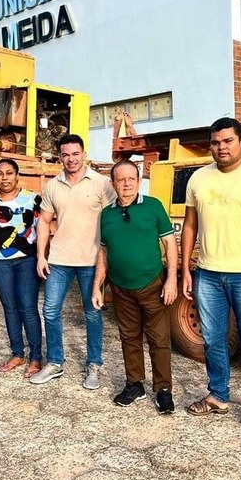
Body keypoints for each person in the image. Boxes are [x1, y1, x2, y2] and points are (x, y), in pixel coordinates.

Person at [181, 117, 241, 435]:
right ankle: (218, 396)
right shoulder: (198, 178)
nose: (221, 147)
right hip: (208, 273)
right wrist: (186, 269)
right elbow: (190, 226)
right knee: (213, 341)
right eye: (215, 142)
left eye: (227, 141)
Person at [31, 134, 116, 388]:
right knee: (50, 311)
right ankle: (55, 362)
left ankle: (94, 364)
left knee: (93, 313)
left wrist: (108, 258)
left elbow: (113, 221)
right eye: (66, 155)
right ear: (60, 157)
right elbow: (43, 222)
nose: (71, 159)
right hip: (59, 259)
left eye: (75, 154)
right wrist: (41, 256)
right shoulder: (52, 186)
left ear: (84, 154)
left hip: (92, 260)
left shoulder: (102, 184)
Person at [93, 159, 178, 414]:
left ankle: (163, 390)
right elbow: (103, 252)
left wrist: (171, 279)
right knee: (129, 337)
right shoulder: (106, 214)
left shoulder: (153, 206)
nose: (127, 184)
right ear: (113, 183)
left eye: (132, 179)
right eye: (121, 179)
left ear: (139, 182)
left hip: (152, 285)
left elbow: (170, 244)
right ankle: (135, 384)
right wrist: (98, 286)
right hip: (120, 288)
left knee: (159, 339)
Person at [0, 158, 43, 379]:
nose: (4, 178)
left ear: (17, 175)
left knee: (28, 307)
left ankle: (36, 357)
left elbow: (43, 230)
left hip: (27, 260)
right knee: (9, 306)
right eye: (0, 174)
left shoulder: (33, 199)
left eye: (9, 173)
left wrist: (44, 258)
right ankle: (17, 354)